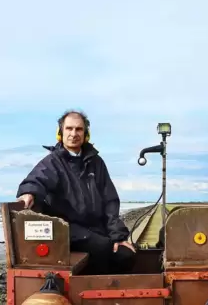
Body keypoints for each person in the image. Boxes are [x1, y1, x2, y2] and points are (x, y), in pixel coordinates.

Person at [15, 109, 136, 275]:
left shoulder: (96, 162)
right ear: (60, 133)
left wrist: (118, 236)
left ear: (86, 134)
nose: (74, 133)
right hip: (67, 230)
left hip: (95, 229)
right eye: (69, 128)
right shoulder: (53, 162)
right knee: (101, 247)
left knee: (126, 254)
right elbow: (37, 180)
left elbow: (110, 201)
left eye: (79, 129)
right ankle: (95, 290)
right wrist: (29, 192)